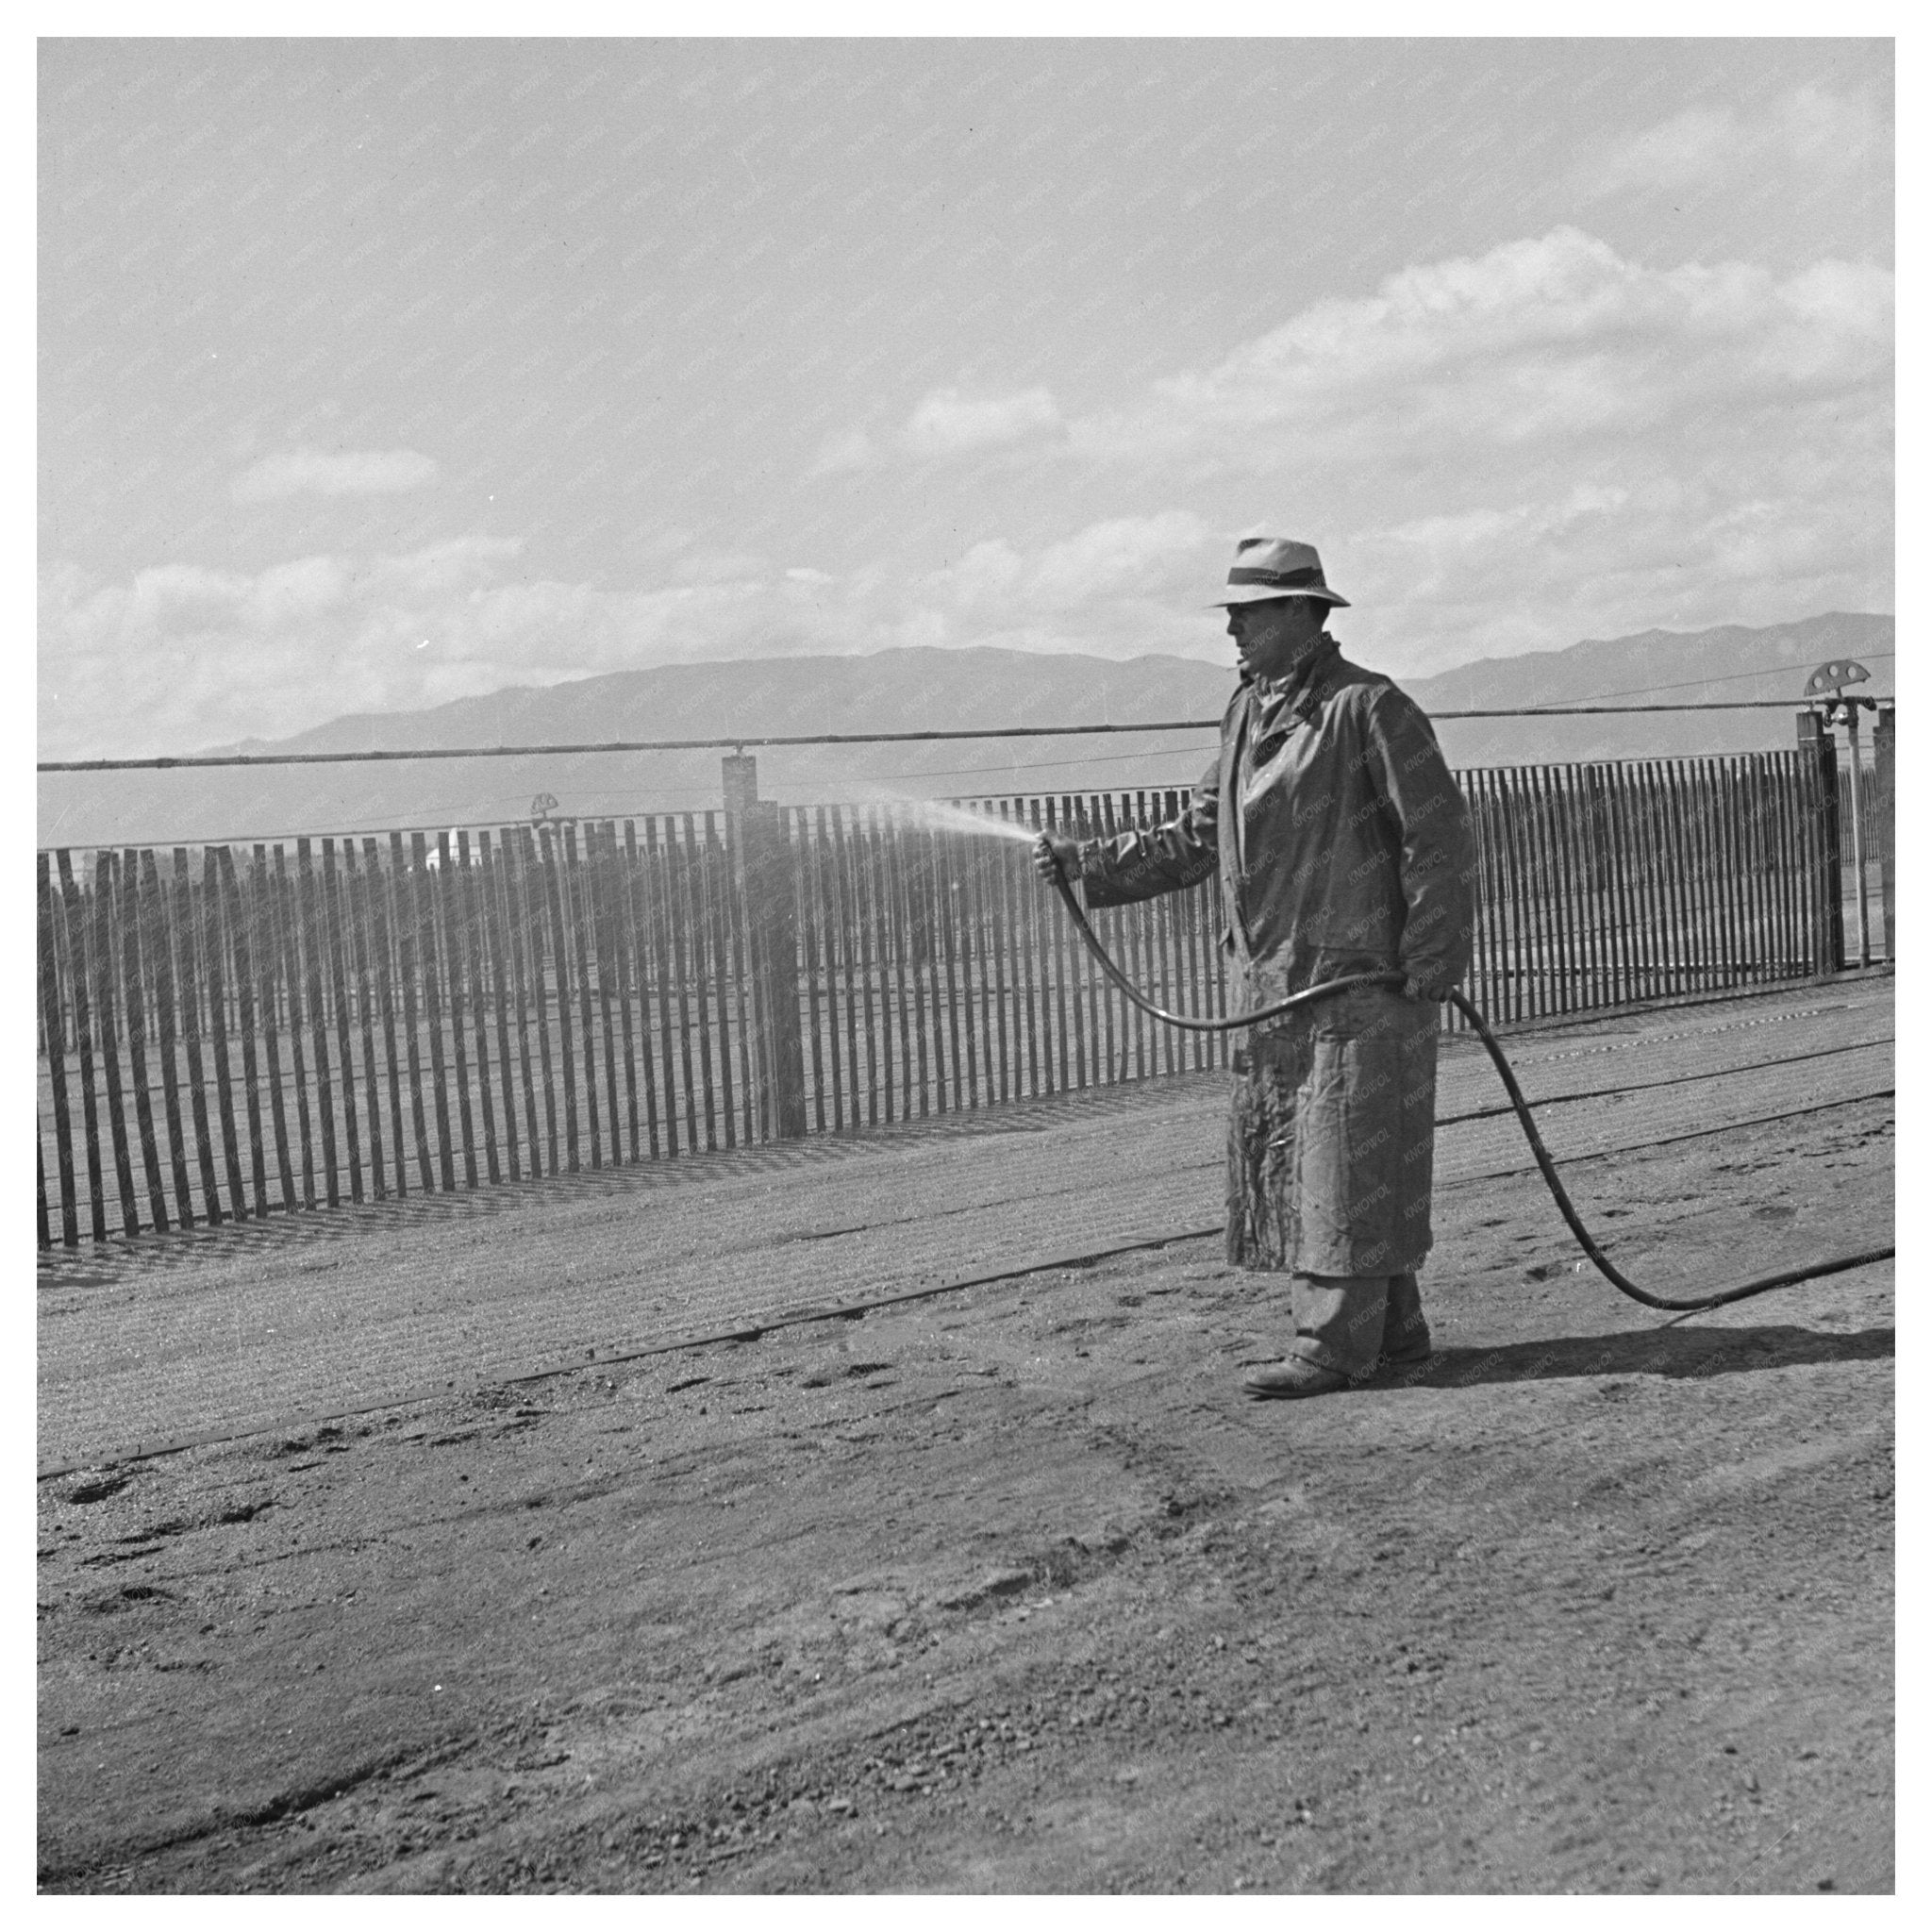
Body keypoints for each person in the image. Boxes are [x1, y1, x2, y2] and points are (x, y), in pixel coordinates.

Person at [1031, 536, 1475, 1399]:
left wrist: (1431, 958)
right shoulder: (1247, 715)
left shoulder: (1370, 709)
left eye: (1250, 610)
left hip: (1361, 986)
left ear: (1305, 613)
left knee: (1347, 1161)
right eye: (1232, 612)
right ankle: (1396, 1331)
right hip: (1273, 992)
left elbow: (1440, 840)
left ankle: (1329, 1349)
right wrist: (1092, 864)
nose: (1232, 626)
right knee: (1322, 1161)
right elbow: (1200, 835)